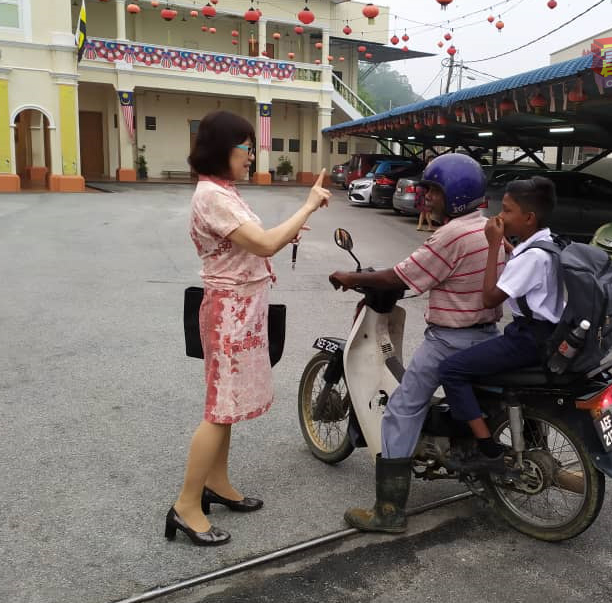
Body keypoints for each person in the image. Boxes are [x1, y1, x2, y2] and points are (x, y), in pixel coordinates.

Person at [166, 110, 332, 546]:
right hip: (229, 311)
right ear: (224, 149)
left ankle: (217, 483)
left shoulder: (224, 190)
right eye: (246, 147)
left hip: (243, 307)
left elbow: (255, 240)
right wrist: (308, 205)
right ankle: (186, 505)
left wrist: (287, 230)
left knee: (230, 405)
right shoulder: (213, 195)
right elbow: (263, 242)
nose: (252, 155)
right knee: (220, 410)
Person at [328, 153, 504, 534]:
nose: (425, 196)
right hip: (486, 335)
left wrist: (352, 277)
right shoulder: (487, 228)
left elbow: (403, 275)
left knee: (401, 411)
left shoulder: (450, 235)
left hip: (450, 340)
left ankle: (388, 511)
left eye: (433, 191)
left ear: (455, 195)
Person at [436, 176, 562, 469]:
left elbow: (490, 298)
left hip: (528, 340)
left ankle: (486, 449)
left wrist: (493, 245)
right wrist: (507, 245)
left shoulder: (531, 258)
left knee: (451, 370)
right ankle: (512, 434)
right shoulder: (549, 241)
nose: (498, 216)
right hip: (549, 334)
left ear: (528, 217)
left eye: (506, 210)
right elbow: (523, 267)